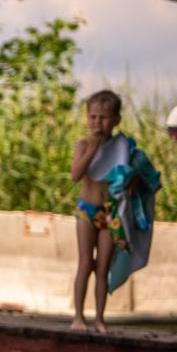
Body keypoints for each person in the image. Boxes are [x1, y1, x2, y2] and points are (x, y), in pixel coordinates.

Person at [70, 89, 124, 334]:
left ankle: (100, 318)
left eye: (103, 118)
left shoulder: (122, 147)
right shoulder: (83, 145)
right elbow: (75, 175)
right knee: (84, 263)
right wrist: (92, 149)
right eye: (93, 117)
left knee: (103, 268)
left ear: (115, 120)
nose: (97, 123)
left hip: (110, 212)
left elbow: (131, 176)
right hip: (87, 211)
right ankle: (78, 316)